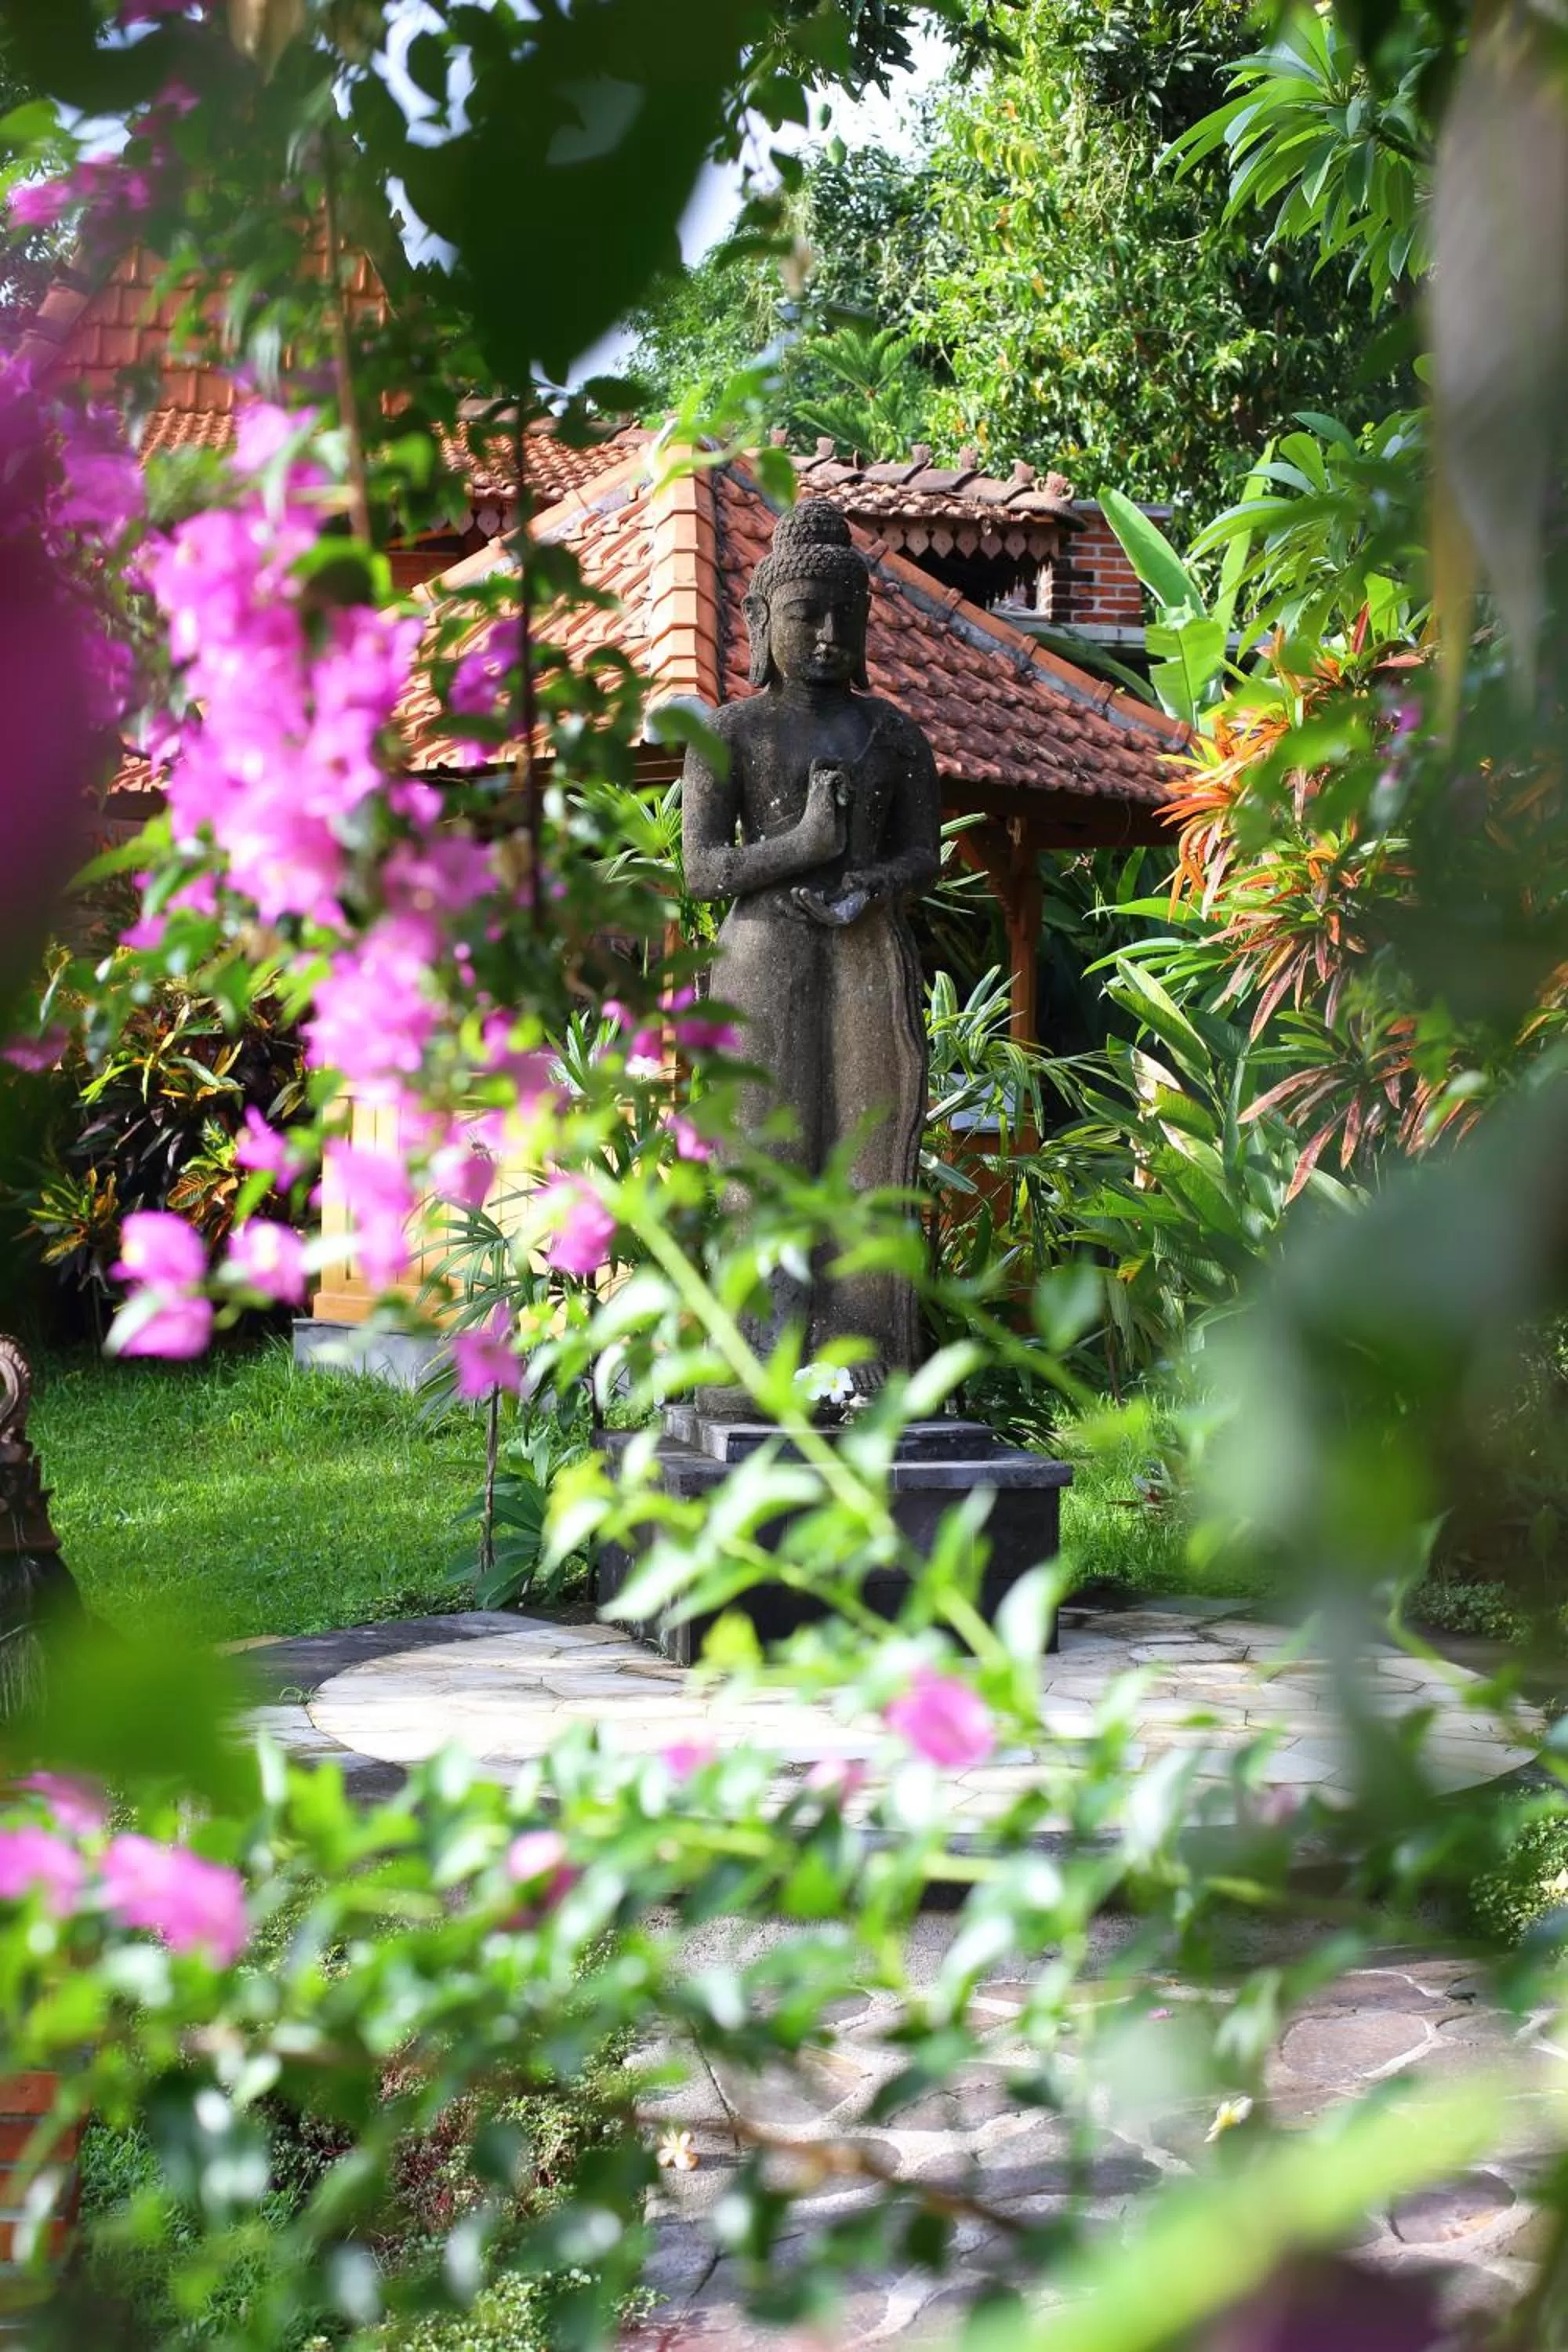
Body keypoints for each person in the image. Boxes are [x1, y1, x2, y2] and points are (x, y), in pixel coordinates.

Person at [681, 498, 941, 1389]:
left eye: (845, 616)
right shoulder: (730, 732)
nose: (828, 633)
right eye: (805, 614)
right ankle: (760, 1351)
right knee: (764, 1150)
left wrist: (870, 881)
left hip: (863, 955)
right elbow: (701, 869)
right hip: (760, 957)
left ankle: (864, 1353)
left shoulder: (894, 734)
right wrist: (803, 845)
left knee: (866, 1152)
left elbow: (922, 854)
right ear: (760, 621)